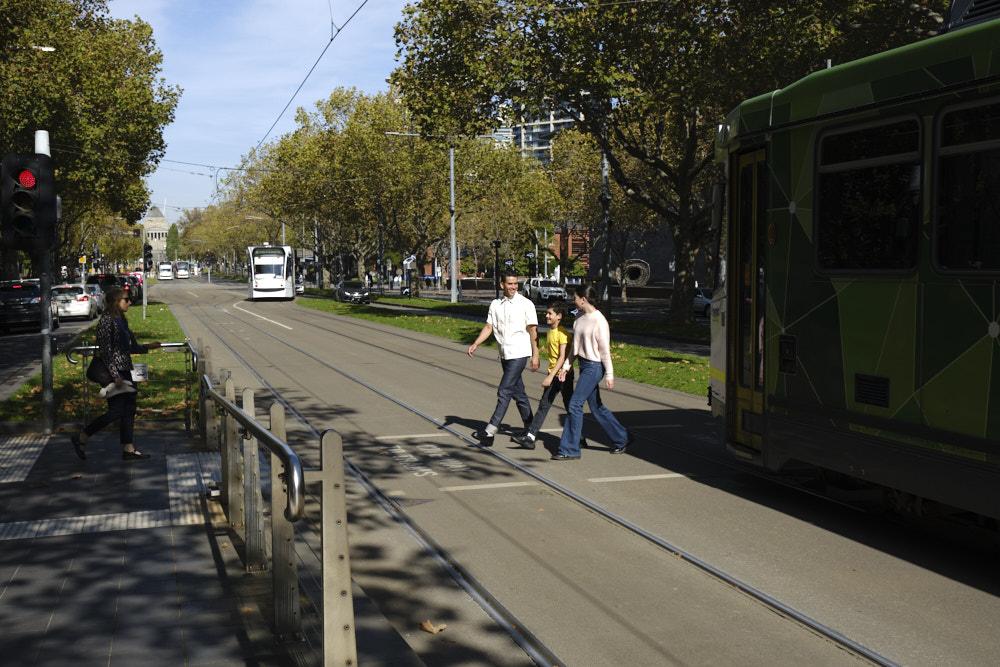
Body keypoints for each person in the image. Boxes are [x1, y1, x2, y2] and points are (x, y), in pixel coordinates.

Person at [70, 287, 161, 461]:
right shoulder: (106, 321)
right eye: (126, 299)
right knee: (117, 411)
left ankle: (128, 448)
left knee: (129, 409)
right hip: (114, 373)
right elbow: (105, 352)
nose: (129, 302)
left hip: (126, 370)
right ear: (115, 302)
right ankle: (82, 436)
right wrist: (115, 375)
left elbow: (130, 347)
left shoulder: (122, 320)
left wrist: (148, 347)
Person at [552, 284, 631, 461]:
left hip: (595, 367)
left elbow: (604, 351)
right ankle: (622, 438)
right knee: (596, 407)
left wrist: (609, 374)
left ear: (583, 299)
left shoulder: (599, 321)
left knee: (574, 404)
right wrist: (566, 366)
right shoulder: (579, 318)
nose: (573, 300)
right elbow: (575, 348)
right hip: (584, 365)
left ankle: (570, 449)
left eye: (575, 298)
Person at [466, 272, 540, 447]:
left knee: (504, 390)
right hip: (505, 354)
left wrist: (535, 354)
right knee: (518, 393)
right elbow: (489, 326)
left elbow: (533, 331)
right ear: (502, 285)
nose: (513, 287)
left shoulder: (526, 304)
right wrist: (476, 343)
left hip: (520, 353)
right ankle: (531, 429)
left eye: (516, 284)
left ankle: (490, 430)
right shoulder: (495, 304)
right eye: (510, 284)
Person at [512, 301, 576, 450]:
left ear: (559, 316)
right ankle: (579, 437)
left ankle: (531, 436)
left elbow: (562, 358)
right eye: (546, 313)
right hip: (555, 373)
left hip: (562, 375)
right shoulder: (550, 331)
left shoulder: (563, 334)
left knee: (559, 406)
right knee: (551, 405)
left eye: (550, 314)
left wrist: (550, 376)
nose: (546, 316)